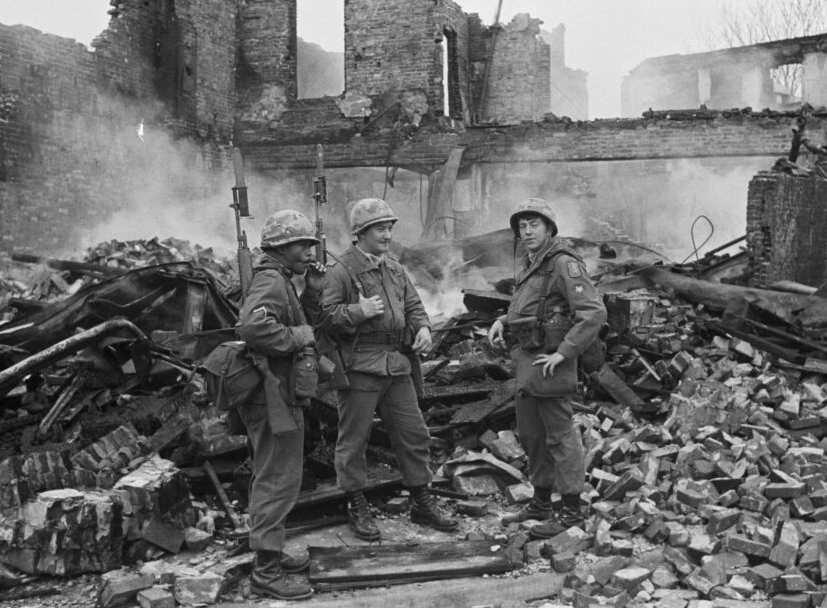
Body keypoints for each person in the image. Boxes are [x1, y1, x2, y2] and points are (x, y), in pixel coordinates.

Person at [319, 197, 458, 541]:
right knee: (354, 441)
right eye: (380, 228)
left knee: (414, 435)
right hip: (361, 366)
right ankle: (356, 504)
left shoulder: (393, 268)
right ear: (360, 233)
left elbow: (414, 306)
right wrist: (358, 311)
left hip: (397, 366)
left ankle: (421, 501)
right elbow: (324, 318)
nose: (387, 234)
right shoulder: (342, 271)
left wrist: (423, 327)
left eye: (389, 228)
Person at [487, 198, 606, 539]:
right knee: (532, 435)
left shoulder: (563, 264)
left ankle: (571, 510)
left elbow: (593, 313)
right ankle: (541, 500)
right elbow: (531, 307)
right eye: (522, 226)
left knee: (561, 436)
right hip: (528, 362)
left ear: (550, 228)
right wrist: (501, 320)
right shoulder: (532, 264)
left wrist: (565, 353)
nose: (526, 231)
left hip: (551, 363)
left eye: (534, 224)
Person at [236, 209, 325, 601]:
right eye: (302, 244)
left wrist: (314, 291)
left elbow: (289, 317)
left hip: (280, 391)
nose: (309, 250)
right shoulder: (271, 279)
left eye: (309, 244)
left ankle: (269, 552)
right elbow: (253, 328)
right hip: (274, 394)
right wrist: (299, 336)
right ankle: (265, 572)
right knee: (279, 478)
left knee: (274, 474)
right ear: (280, 247)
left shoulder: (282, 279)